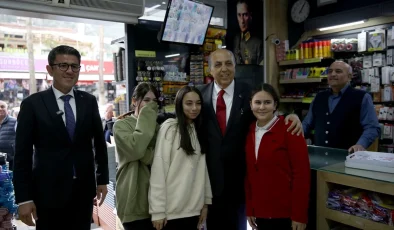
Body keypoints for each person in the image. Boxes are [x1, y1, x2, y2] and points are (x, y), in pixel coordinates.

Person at [197, 49, 302, 230]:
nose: (224, 69)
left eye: (229, 63)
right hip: (208, 183)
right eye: (218, 64)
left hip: (240, 184)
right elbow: (183, 116)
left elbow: (266, 113)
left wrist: (290, 117)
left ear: (235, 67)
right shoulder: (199, 95)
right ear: (210, 70)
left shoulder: (249, 93)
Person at [13, 45, 109, 230]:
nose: (69, 71)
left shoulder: (88, 101)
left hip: (83, 191)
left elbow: (99, 143)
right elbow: (22, 156)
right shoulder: (33, 104)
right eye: (63, 65)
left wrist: (102, 178)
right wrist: (24, 198)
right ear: (50, 69)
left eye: (74, 66)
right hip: (47, 193)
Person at [245, 84, 310, 230]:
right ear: (251, 105)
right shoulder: (249, 131)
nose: (262, 107)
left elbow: (301, 175)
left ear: (275, 105)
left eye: (267, 102)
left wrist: (299, 215)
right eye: (257, 102)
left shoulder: (290, 128)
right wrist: (250, 208)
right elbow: (249, 175)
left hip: (285, 214)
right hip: (260, 212)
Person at [149, 86, 212, 230]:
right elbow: (159, 170)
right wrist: (157, 210)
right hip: (171, 213)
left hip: (194, 211)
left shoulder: (197, 130)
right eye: (189, 103)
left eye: (198, 103)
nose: (194, 108)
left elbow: (202, 171)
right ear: (179, 104)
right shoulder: (170, 128)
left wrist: (205, 203)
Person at [302, 61, 380, 152]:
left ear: (349, 77)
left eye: (338, 71)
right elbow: (307, 123)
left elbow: (372, 127)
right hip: (320, 157)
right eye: (330, 71)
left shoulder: (362, 97)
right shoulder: (319, 97)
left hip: (348, 158)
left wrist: (360, 145)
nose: (333, 74)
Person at [114, 82, 160, 230]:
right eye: (146, 100)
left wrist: (148, 153)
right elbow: (136, 150)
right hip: (132, 199)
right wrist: (146, 115)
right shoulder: (121, 126)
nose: (151, 105)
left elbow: (159, 157)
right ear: (135, 101)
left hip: (156, 200)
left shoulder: (159, 127)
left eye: (154, 101)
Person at [233, 0, 263, 65]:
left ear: (250, 16)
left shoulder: (258, 43)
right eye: (239, 15)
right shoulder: (235, 40)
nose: (242, 20)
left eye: (245, 15)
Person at [0, 100, 17, 170]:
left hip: (10, 160)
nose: (0, 109)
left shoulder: (15, 121)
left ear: (7, 109)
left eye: (2, 107)